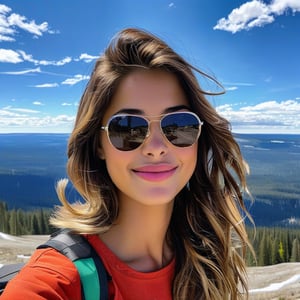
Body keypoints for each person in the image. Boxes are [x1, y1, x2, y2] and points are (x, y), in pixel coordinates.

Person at [1, 28, 253, 300]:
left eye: (179, 125)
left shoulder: (205, 260)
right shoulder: (59, 278)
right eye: (128, 127)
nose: (156, 148)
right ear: (98, 144)